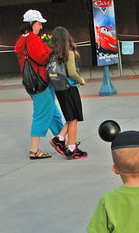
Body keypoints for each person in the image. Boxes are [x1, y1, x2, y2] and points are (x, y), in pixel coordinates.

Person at [15, 9, 65, 159]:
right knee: (42, 115)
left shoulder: (20, 41)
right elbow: (43, 58)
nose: (41, 27)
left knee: (52, 112)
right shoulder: (32, 39)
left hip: (32, 83)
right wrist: (55, 51)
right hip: (41, 83)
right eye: (39, 23)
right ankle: (34, 150)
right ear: (31, 24)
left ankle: (62, 140)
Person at [47, 26, 88, 159]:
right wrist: (80, 80)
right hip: (69, 87)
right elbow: (71, 72)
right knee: (73, 118)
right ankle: (71, 149)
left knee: (71, 117)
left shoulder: (53, 55)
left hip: (59, 89)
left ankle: (60, 139)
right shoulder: (68, 53)